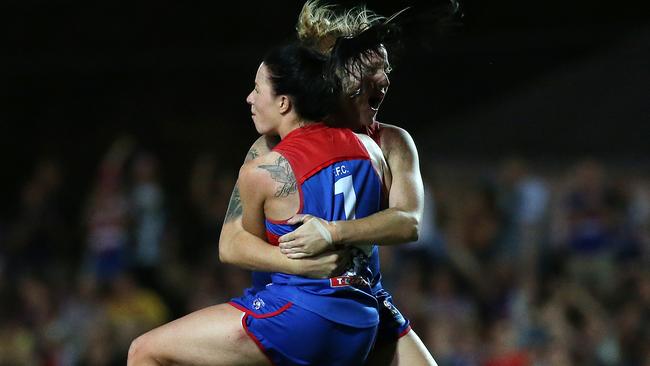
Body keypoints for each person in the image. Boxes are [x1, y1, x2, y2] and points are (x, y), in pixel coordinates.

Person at [128, 42, 390, 365]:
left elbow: (231, 247)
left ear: (283, 103)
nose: (249, 99)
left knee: (144, 351)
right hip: (362, 322)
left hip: (298, 319)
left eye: (256, 89)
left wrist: (299, 265)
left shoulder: (267, 169)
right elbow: (399, 222)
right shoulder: (373, 152)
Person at [219, 2, 437, 365]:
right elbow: (232, 240)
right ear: (334, 74)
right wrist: (295, 264)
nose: (383, 79)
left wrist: (333, 232)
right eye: (370, 68)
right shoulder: (273, 148)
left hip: (363, 296)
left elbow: (409, 221)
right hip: (291, 304)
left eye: (386, 67)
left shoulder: (391, 142)